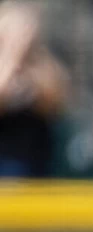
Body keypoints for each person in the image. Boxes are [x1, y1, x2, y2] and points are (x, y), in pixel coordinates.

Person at [0, 1, 68, 178]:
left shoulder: (38, 63)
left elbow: (56, 101)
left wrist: (32, 57)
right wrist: (12, 55)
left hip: (36, 165)